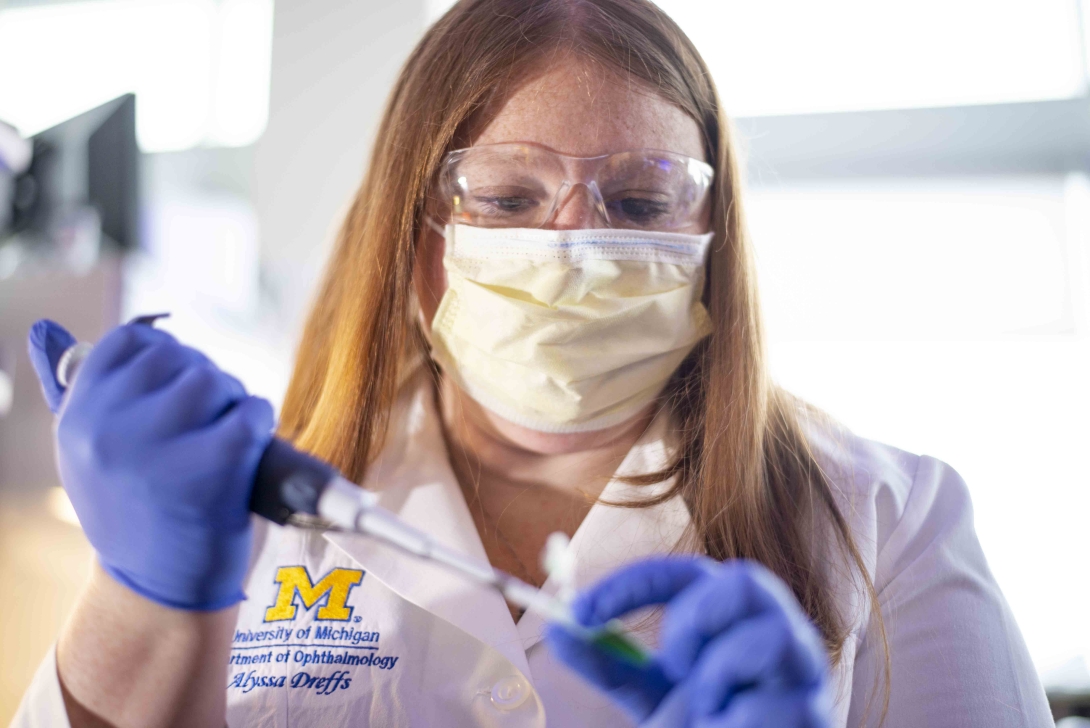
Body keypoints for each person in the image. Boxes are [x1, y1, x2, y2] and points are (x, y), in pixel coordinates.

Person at [14, 1, 1051, 726]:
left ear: (714, 244)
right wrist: (140, 594)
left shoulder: (889, 517)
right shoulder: (241, 508)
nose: (572, 248)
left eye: (641, 203)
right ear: (408, 237)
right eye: (508, 200)